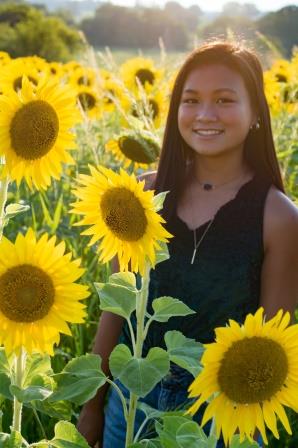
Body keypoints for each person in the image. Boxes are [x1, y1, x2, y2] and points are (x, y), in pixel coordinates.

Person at [77, 40, 298, 448]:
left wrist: (244, 434)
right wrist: (92, 404)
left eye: (224, 100)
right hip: (130, 401)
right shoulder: (140, 198)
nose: (205, 115)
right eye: (191, 100)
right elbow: (117, 306)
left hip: (215, 413)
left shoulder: (279, 217)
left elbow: (271, 347)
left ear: (255, 115)